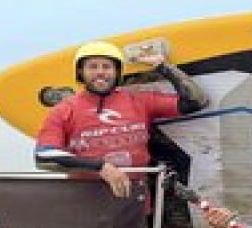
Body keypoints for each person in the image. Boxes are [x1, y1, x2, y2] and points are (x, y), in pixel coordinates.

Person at [33, 40, 208, 200]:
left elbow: (196, 101)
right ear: (81, 72)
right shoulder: (64, 110)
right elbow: (43, 156)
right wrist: (101, 167)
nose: (100, 72)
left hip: (134, 207)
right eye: (92, 67)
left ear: (117, 72)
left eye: (107, 67)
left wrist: (163, 67)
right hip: (84, 207)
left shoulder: (139, 101)